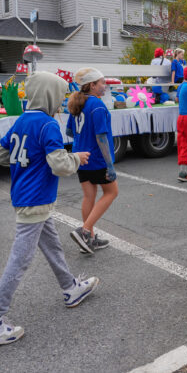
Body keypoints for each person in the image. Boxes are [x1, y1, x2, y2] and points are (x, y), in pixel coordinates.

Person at [0, 72, 98, 346]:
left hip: (24, 195)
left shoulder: (23, 120)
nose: (61, 101)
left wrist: (24, 161)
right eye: (60, 95)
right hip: (36, 197)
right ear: (49, 95)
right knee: (20, 260)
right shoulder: (48, 124)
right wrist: (76, 158)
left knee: (52, 246)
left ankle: (70, 288)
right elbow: (59, 165)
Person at [66, 68, 118, 254]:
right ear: (92, 85)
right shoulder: (97, 105)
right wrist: (110, 165)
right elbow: (101, 136)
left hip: (80, 157)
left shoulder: (78, 103)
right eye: (102, 82)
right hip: (96, 158)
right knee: (111, 192)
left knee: (89, 196)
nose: (105, 85)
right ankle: (85, 231)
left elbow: (69, 132)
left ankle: (89, 239)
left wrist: (82, 139)